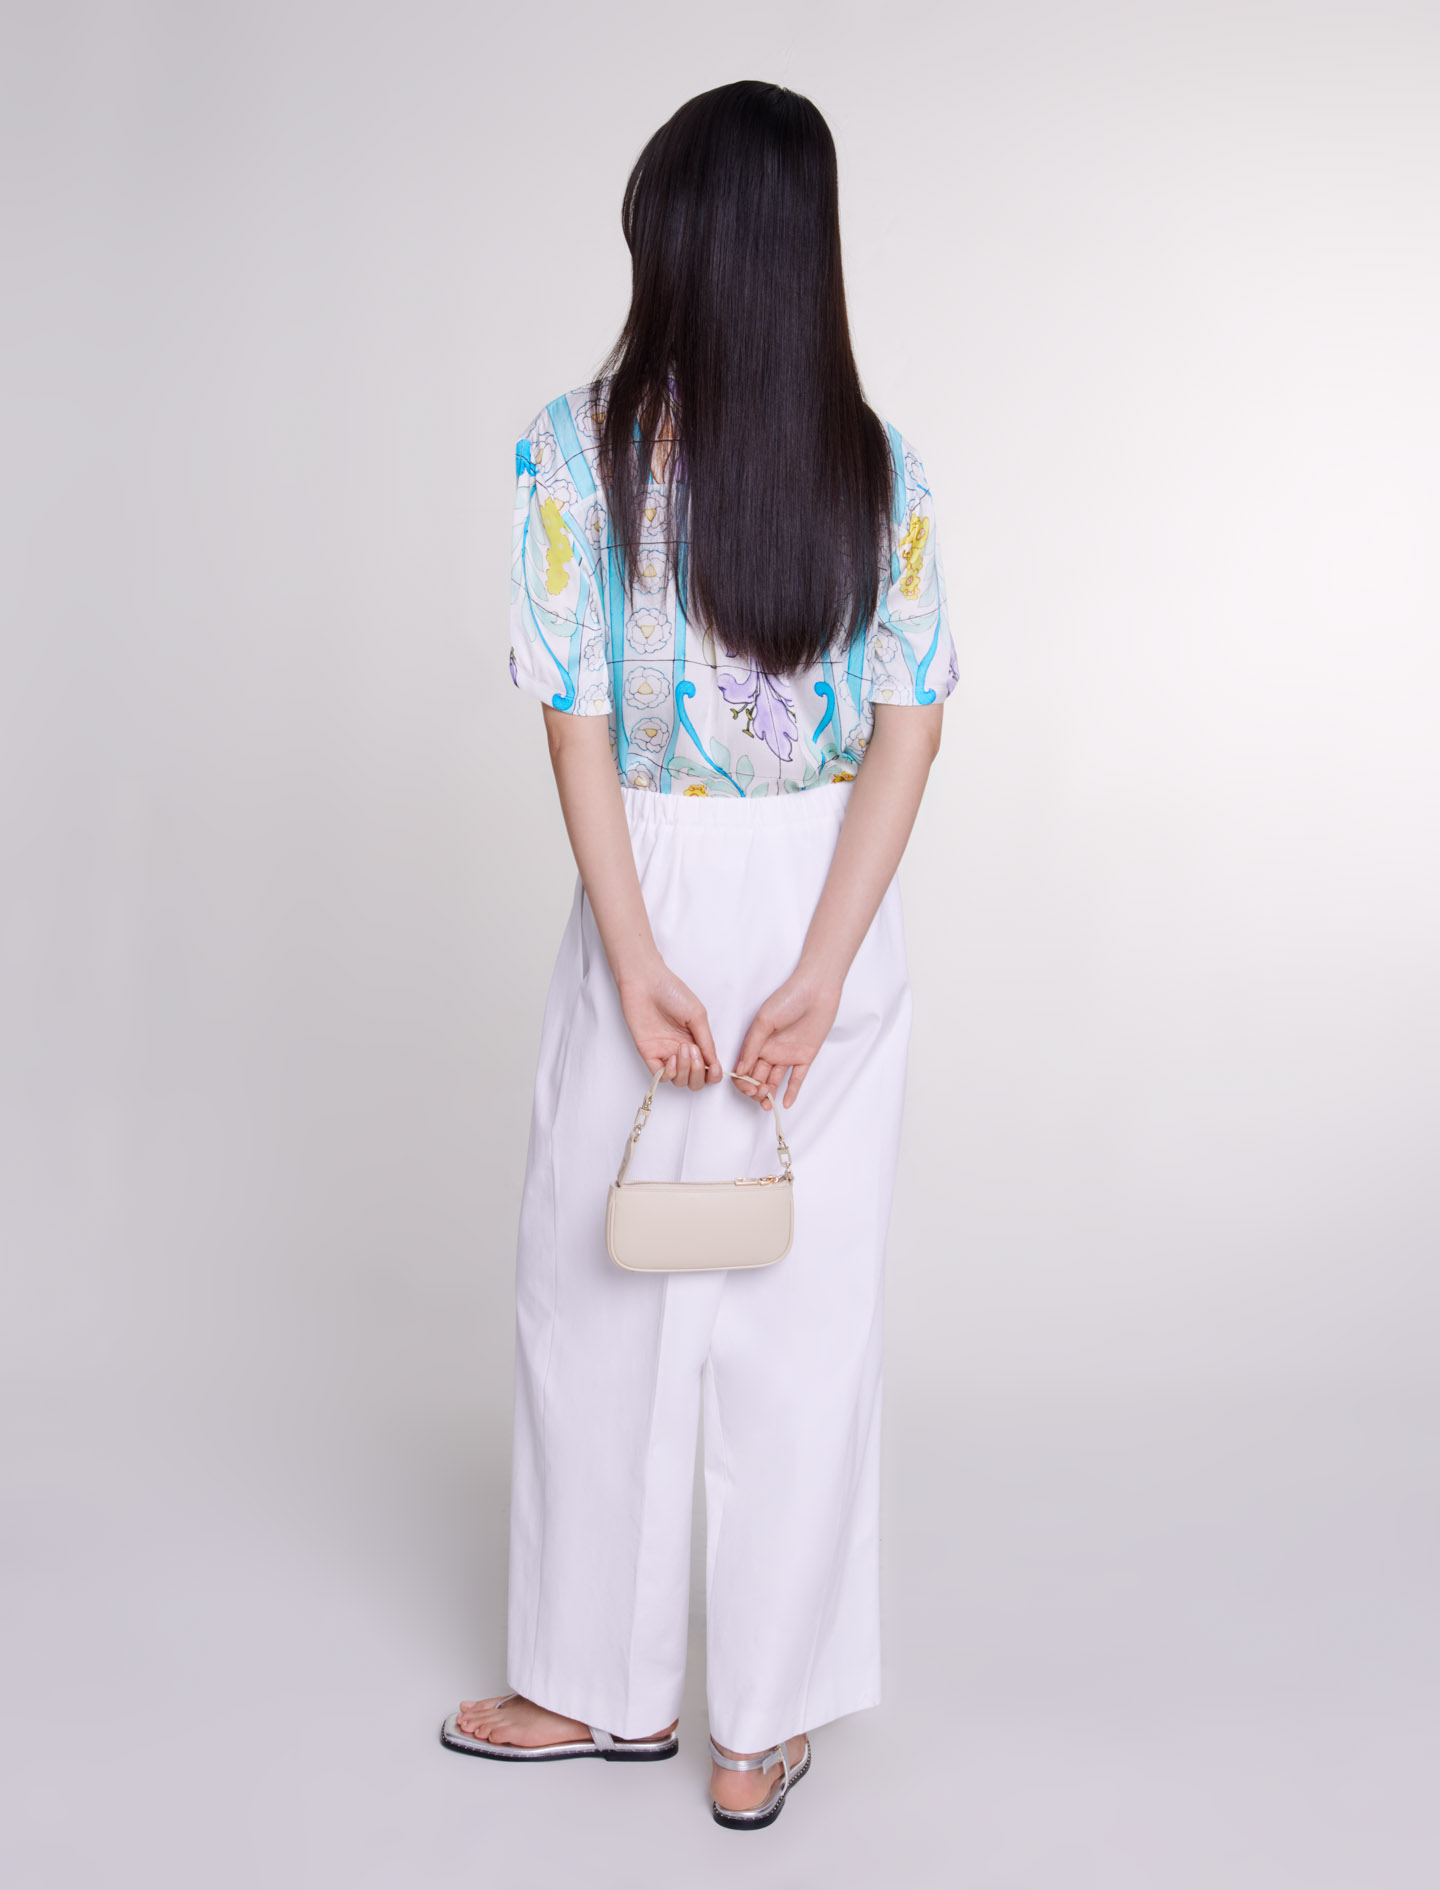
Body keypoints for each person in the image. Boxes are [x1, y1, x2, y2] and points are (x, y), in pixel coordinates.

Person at [442, 78, 956, 1831]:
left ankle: (592, 1688)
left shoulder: (571, 445)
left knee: (599, 1293)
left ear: (673, 239)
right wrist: (824, 967)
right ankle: (762, 1727)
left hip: (649, 872)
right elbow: (911, 723)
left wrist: (633, 947)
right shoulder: (879, 466)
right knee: (805, 1316)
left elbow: (573, 718)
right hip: (827, 887)